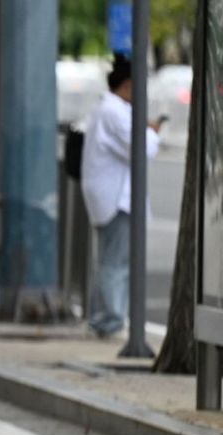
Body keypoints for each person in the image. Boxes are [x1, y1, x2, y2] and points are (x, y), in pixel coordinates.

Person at [80, 54, 161, 338]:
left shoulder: (109, 110)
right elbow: (142, 148)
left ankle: (102, 317)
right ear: (128, 86)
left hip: (113, 195)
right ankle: (110, 320)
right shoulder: (114, 112)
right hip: (116, 198)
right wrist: (152, 133)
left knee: (110, 260)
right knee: (115, 262)